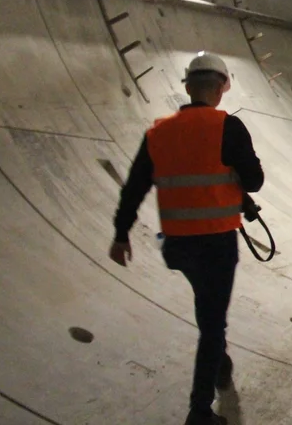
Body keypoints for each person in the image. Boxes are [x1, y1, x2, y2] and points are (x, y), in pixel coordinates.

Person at [110, 52, 264, 425]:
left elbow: (134, 187)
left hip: (178, 245)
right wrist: (239, 190)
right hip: (216, 244)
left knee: (207, 309)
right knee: (213, 325)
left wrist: (121, 233)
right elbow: (255, 179)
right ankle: (199, 411)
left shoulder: (159, 131)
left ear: (187, 87)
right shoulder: (228, 127)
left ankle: (221, 364)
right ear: (223, 87)